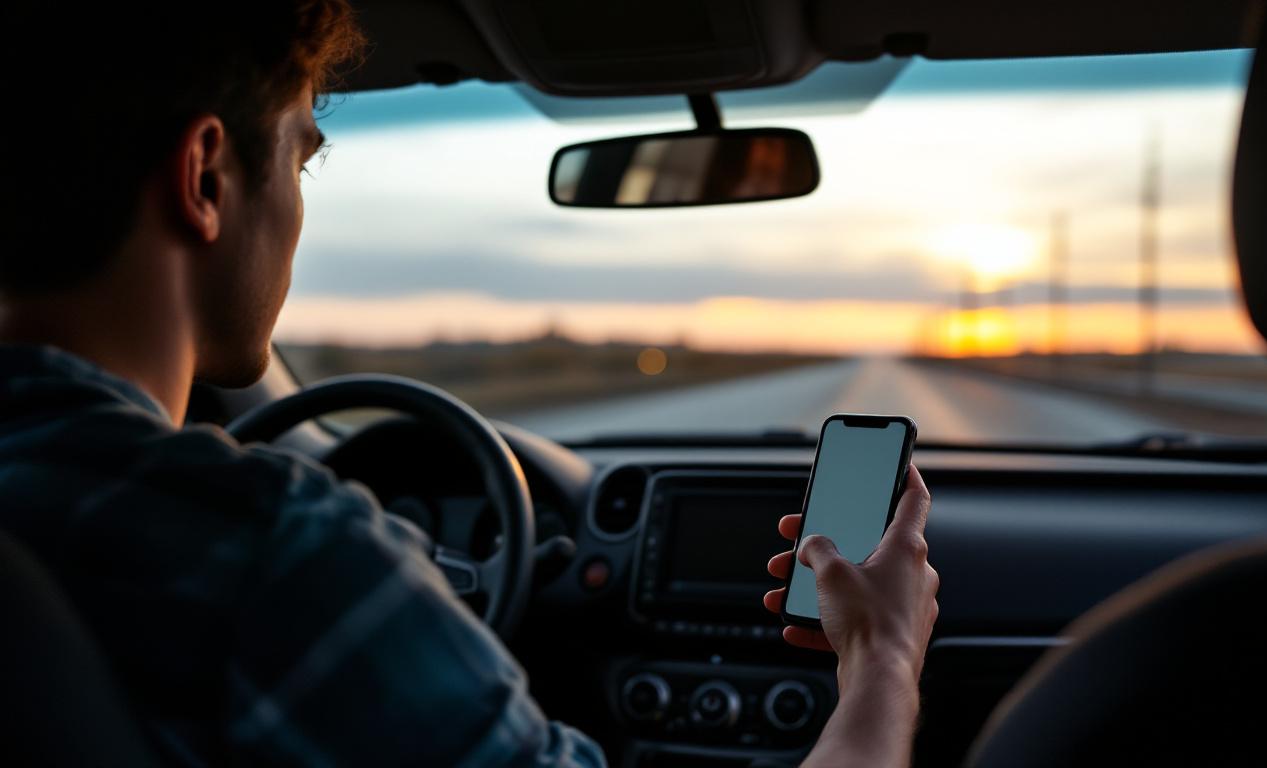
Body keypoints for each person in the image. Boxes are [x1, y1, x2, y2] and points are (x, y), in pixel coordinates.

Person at [0, 2, 939, 765]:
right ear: (206, 177)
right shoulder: (271, 551)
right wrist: (883, 655)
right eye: (301, 156)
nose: (297, 204)